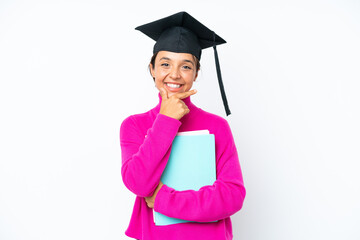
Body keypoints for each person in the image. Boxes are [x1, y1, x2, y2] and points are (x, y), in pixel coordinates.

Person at [120, 11, 246, 240]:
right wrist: (166, 120)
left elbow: (232, 195)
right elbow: (138, 183)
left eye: (186, 66)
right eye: (165, 64)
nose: (174, 75)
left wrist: (163, 200)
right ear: (152, 69)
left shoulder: (216, 126)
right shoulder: (134, 125)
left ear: (197, 73)